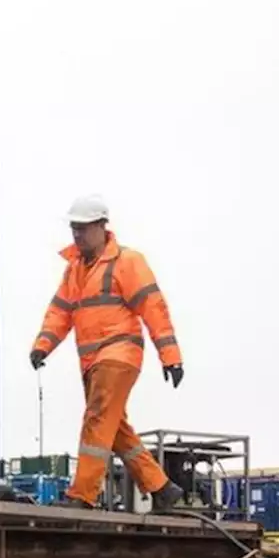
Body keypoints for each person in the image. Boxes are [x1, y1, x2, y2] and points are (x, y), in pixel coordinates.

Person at [30, 194, 185, 511]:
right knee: (113, 427)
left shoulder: (127, 262)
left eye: (83, 228)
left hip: (120, 353)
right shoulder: (74, 271)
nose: (77, 234)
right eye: (74, 228)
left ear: (102, 227)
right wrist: (42, 345)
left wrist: (170, 356)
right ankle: (162, 487)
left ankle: (82, 495)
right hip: (91, 362)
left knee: (98, 416)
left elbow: (153, 307)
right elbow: (59, 312)